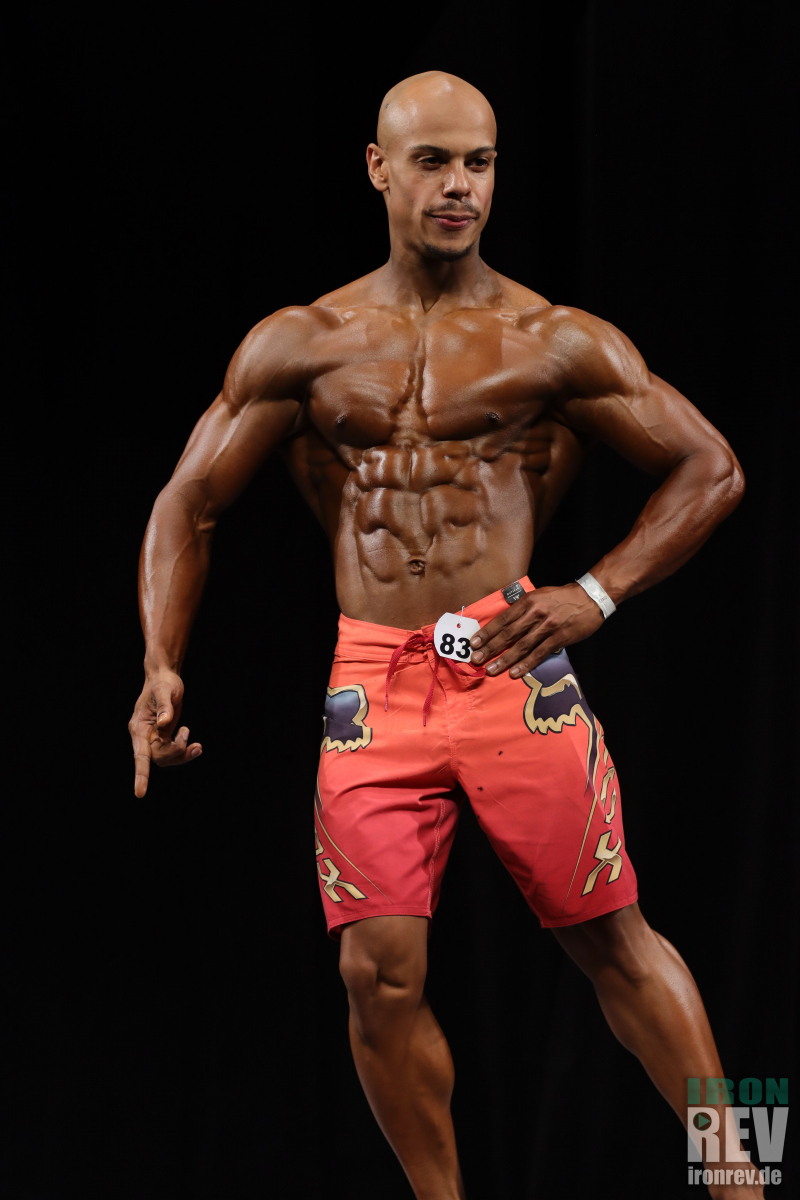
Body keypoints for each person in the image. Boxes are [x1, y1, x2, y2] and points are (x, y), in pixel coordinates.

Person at [128, 71, 758, 1199]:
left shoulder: (552, 340)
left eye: (479, 162)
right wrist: (159, 662)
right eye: (433, 161)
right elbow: (189, 502)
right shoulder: (301, 343)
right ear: (379, 169)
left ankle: (744, 1174)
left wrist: (597, 593)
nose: (459, 185)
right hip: (371, 683)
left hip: (508, 664)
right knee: (374, 975)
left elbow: (712, 467)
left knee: (618, 942)